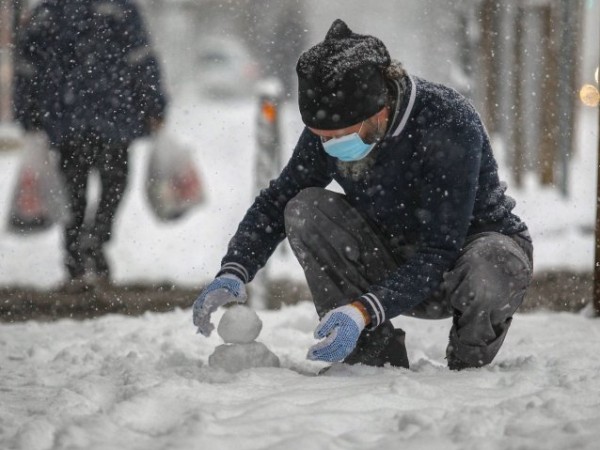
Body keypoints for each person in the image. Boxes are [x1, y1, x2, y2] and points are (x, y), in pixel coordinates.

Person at [192, 19, 533, 371]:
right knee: (304, 209)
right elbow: (278, 200)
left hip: (462, 263)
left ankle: (467, 370)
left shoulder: (447, 122)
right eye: (321, 136)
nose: (330, 146)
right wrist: (235, 268)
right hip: (391, 260)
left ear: (380, 109)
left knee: (492, 264)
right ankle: (370, 361)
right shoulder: (331, 128)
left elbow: (439, 249)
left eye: (341, 135)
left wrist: (363, 310)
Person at [14, 0, 168, 291]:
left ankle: (77, 256)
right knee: (113, 184)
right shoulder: (118, 9)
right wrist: (154, 105)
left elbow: (28, 68)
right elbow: (142, 58)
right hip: (110, 116)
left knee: (76, 189)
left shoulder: (48, 12)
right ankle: (94, 242)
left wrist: (28, 113)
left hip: (69, 118)